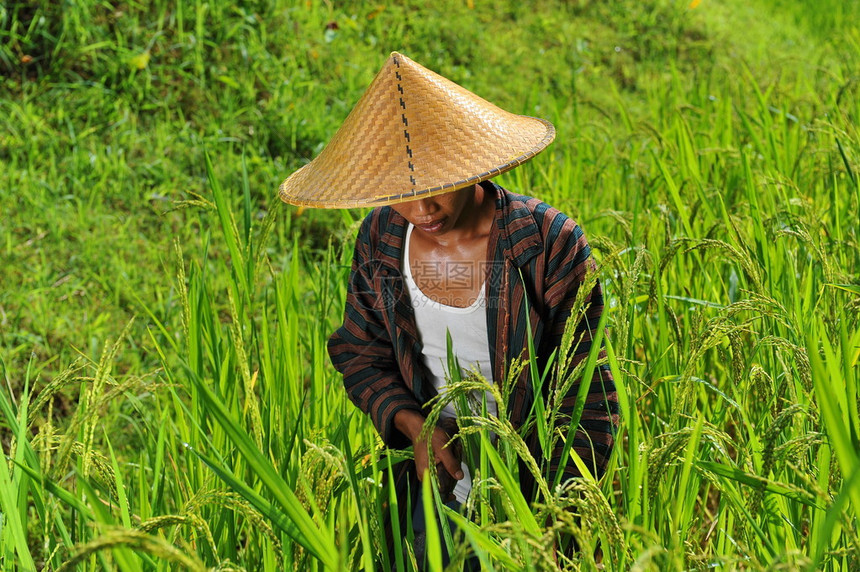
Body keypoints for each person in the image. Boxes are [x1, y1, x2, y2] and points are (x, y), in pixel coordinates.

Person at [279, 52, 619, 565]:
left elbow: (588, 393)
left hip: (535, 485)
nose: (423, 210)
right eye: (400, 193)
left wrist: (565, 518)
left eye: (437, 187)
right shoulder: (383, 238)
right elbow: (360, 349)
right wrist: (415, 427)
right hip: (436, 476)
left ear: (471, 167)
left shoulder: (545, 243)